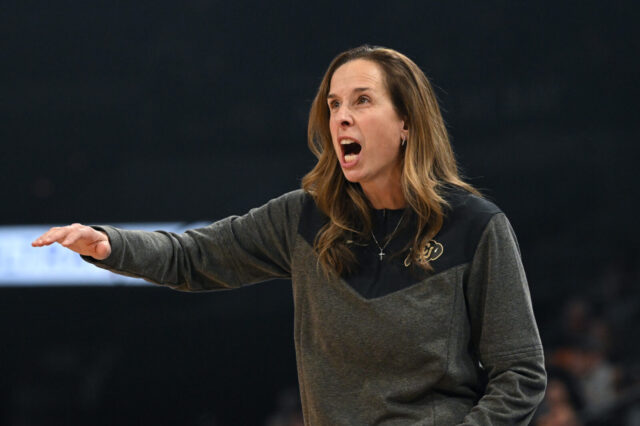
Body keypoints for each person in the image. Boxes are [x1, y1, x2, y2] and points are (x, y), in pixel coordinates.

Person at [32, 45, 546, 425]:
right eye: (334, 104)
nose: (342, 115)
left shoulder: (476, 225)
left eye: (363, 101)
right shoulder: (305, 218)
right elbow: (196, 255)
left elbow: (520, 372)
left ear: (407, 122)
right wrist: (111, 244)